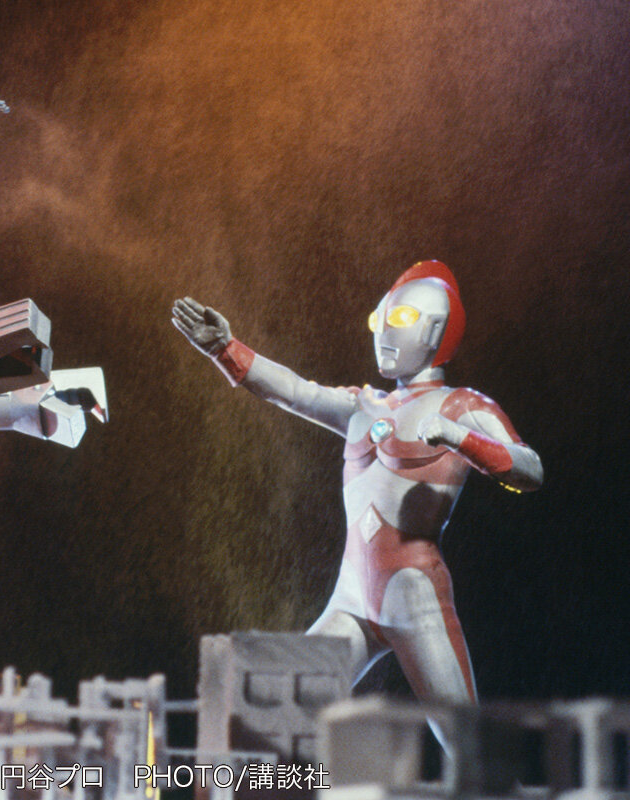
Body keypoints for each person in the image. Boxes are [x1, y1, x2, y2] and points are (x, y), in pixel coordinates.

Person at [172, 260, 542, 704]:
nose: (383, 331)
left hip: (415, 597)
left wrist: (459, 437)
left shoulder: (460, 406)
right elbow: (294, 391)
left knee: (464, 737)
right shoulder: (361, 405)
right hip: (353, 600)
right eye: (377, 319)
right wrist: (225, 349)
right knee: (276, 706)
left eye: (400, 317)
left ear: (434, 329)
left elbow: (529, 469)